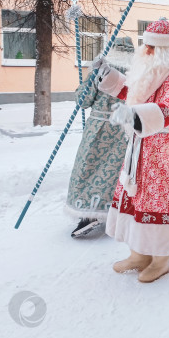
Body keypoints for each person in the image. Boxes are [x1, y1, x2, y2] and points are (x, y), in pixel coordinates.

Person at [94, 19, 169, 283]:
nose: (145, 50)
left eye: (150, 47)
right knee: (137, 198)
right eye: (145, 45)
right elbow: (132, 91)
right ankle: (139, 253)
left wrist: (137, 116)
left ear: (164, 50)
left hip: (164, 149)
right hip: (141, 146)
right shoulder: (151, 69)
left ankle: (161, 260)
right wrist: (108, 74)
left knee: (158, 201)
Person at [65, 37, 134, 238]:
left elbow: (84, 100)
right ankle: (117, 212)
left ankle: (88, 213)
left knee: (88, 167)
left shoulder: (102, 67)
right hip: (124, 127)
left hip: (98, 126)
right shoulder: (137, 70)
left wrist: (83, 85)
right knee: (117, 171)